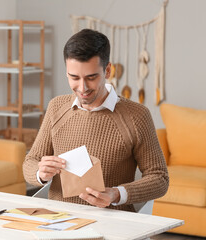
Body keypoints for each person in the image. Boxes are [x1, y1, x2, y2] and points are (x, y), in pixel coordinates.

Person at [23, 29, 169, 212]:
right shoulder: (56, 107)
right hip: (57, 220)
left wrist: (116, 194)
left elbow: (160, 178)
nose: (82, 88)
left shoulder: (137, 115)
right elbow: (31, 161)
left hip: (111, 223)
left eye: (91, 78)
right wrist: (40, 173)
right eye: (74, 77)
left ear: (107, 70)